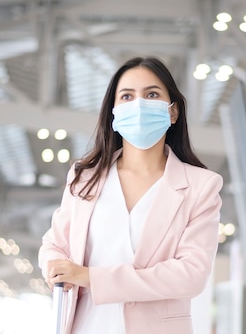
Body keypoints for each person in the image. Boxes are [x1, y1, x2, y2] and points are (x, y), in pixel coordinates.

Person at [38, 56, 223, 334]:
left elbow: (191, 275)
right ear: (113, 112)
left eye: (151, 94)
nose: (138, 105)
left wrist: (91, 278)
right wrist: (54, 267)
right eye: (127, 96)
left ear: (173, 112)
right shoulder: (84, 177)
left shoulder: (201, 186)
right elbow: (55, 244)